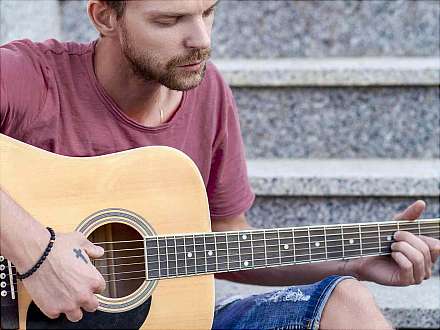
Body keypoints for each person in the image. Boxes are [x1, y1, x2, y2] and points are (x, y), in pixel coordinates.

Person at [0, 1, 439, 329]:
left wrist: (348, 262)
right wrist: (35, 252)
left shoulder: (206, 91)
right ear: (105, 17)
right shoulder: (31, 76)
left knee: (345, 302)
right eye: (169, 20)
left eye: (207, 11)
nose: (201, 40)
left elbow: (224, 243)